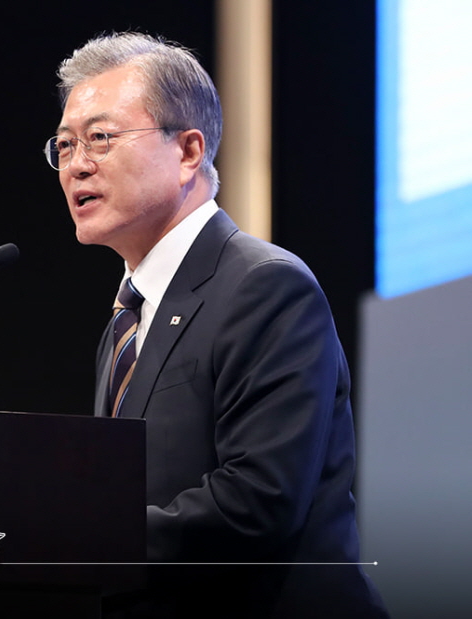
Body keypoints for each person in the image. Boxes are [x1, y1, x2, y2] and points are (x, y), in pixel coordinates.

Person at [46, 32, 388, 617]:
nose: (77, 165)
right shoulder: (125, 323)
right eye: (64, 144)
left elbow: (258, 501)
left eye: (100, 138)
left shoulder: (264, 285)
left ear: (187, 151)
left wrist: (82, 542)